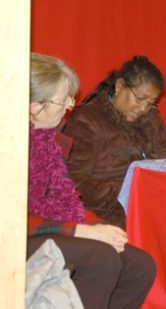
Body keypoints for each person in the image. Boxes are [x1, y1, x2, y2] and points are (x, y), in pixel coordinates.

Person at [27, 53, 155, 308]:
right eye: (62, 100)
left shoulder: (54, 142)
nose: (69, 106)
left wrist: (97, 227)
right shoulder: (8, 145)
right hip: (18, 234)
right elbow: (12, 218)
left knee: (141, 265)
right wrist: (80, 230)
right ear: (35, 105)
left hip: (52, 227)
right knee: (101, 258)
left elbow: (67, 200)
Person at [63, 56, 166, 229]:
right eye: (140, 99)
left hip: (154, 201)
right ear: (119, 86)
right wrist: (130, 194)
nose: (143, 109)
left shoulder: (151, 118)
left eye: (151, 103)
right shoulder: (87, 120)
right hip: (110, 211)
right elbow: (77, 181)